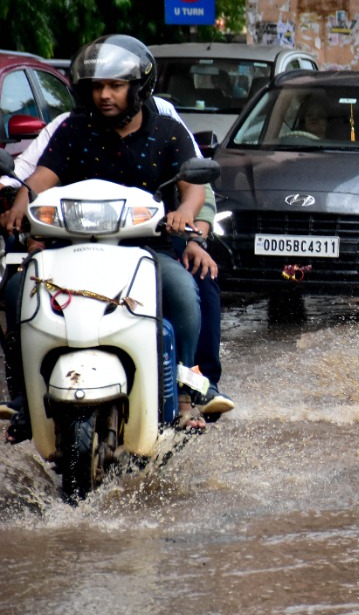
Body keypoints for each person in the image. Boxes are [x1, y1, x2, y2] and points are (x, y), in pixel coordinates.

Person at [0, 35, 215, 439]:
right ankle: (25, 400)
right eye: (97, 86)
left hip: (146, 250)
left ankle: (186, 394)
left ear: (138, 88)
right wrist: (20, 205)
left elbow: (193, 187)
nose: (104, 95)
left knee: (184, 293)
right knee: (16, 291)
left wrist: (184, 214)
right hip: (71, 248)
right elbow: (41, 178)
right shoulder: (72, 130)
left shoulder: (168, 131)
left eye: (115, 86)